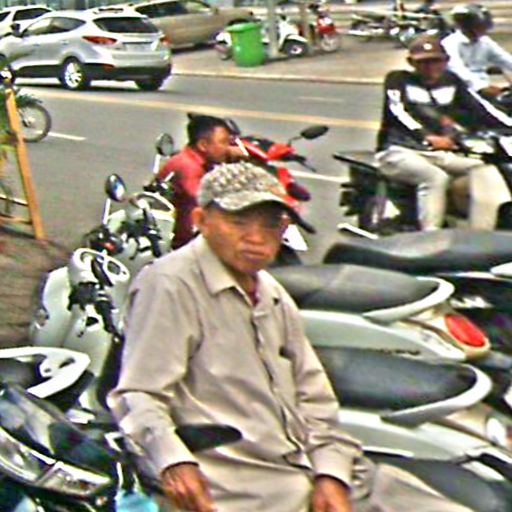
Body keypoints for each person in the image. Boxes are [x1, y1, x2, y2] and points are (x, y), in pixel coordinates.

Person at [108, 161, 472, 512]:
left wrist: (330, 473)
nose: (256, 238)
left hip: (320, 470)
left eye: (270, 225)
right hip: (244, 485)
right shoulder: (171, 285)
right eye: (238, 222)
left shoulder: (271, 293)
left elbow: (314, 396)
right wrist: (173, 462)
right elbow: (139, 393)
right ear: (201, 220)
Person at [375, 33, 512, 230]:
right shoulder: (398, 80)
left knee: (485, 169)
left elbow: (481, 108)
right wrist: (426, 137)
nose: (430, 67)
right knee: (435, 178)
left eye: (435, 61)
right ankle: (431, 235)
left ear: (445, 61)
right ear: (411, 63)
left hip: (442, 153)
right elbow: (398, 112)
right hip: (401, 150)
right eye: (423, 62)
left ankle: (481, 232)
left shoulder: (452, 81)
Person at [156, 114, 244, 250]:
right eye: (223, 142)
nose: (227, 148)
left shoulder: (198, 159)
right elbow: (205, 201)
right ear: (203, 145)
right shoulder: (188, 166)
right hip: (182, 243)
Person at [441, 4, 512, 99]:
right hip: (461, 90)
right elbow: (457, 70)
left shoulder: (485, 41)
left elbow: (504, 59)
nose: (485, 30)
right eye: (481, 26)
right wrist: (480, 87)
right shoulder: (450, 43)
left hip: (485, 88)